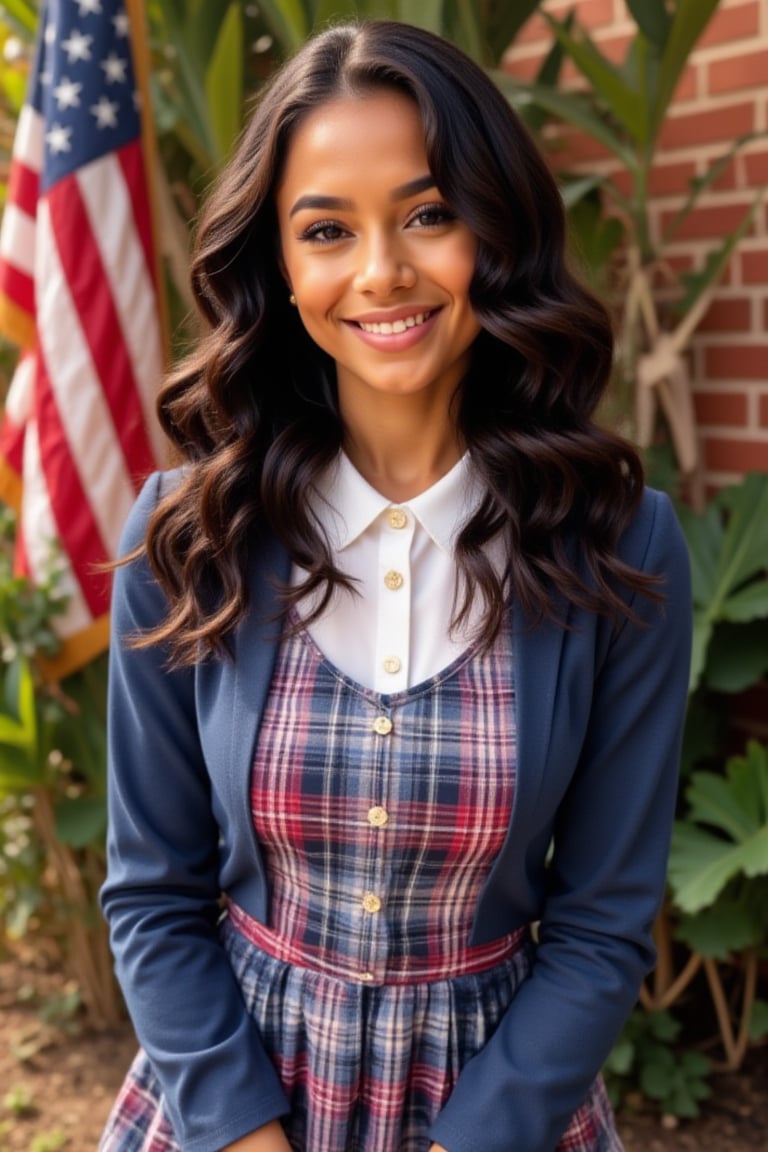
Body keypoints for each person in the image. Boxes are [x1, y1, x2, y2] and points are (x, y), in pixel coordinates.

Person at [98, 19, 692, 1152]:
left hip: (502, 1115)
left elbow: (604, 920)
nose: (382, 272)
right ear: (280, 264)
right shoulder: (192, 532)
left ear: (496, 228)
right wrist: (240, 1136)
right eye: (327, 230)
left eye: (429, 213)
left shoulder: (621, 544)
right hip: (228, 1110)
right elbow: (152, 894)